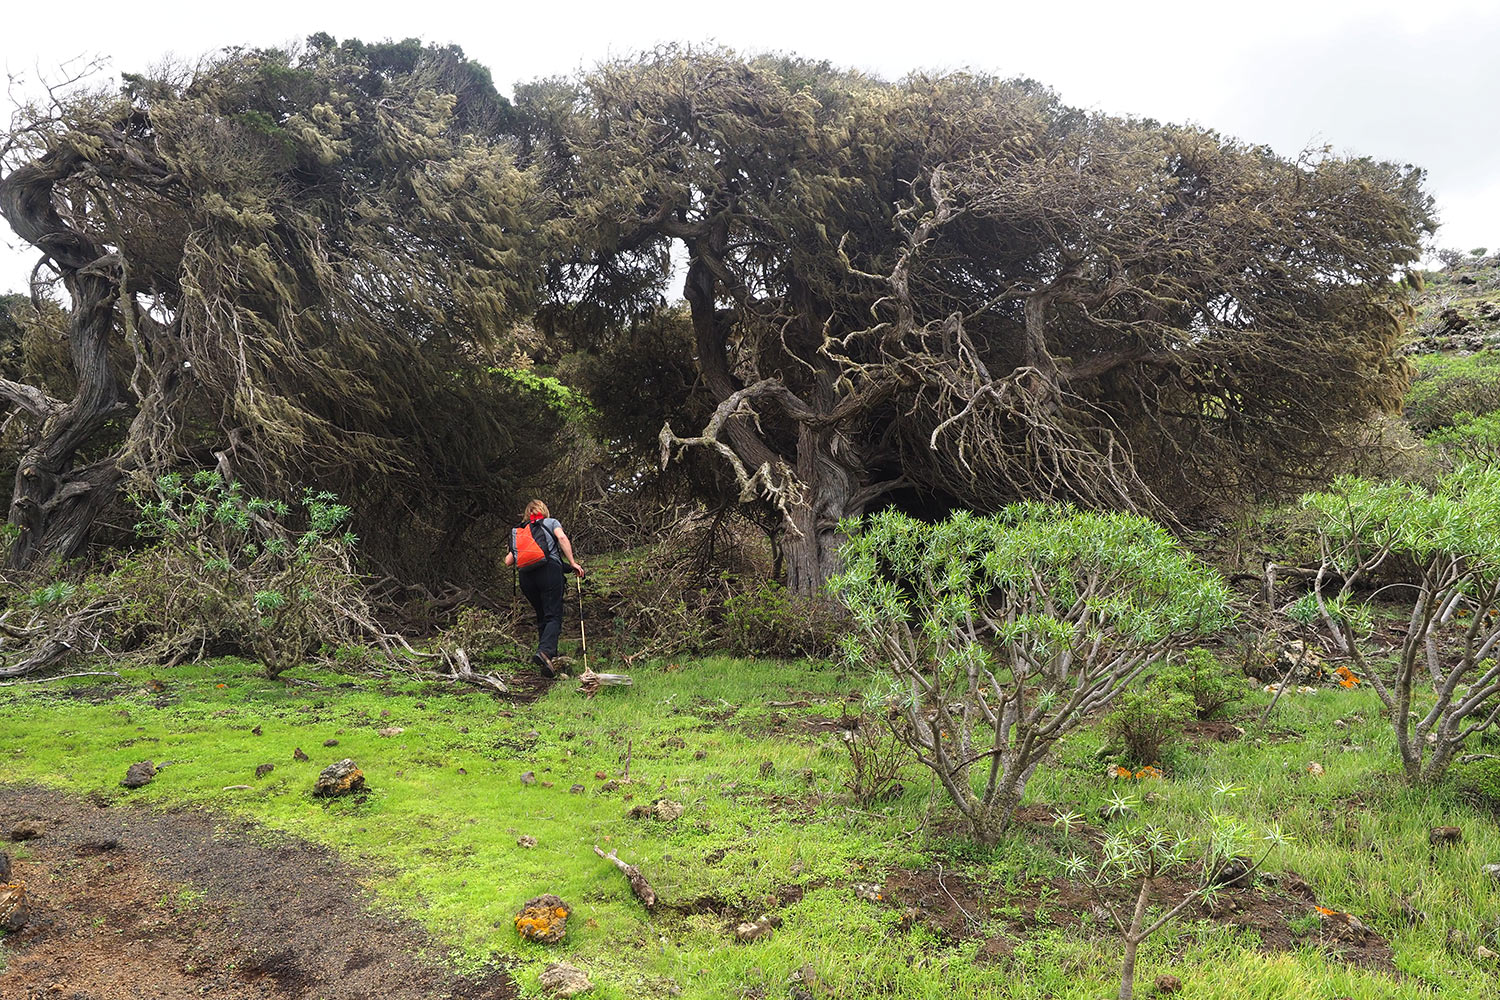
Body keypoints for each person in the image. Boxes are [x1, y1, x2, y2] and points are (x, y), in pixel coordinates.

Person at [503, 500, 584, 676]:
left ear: (527, 514)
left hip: (526, 577)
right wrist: (572, 562)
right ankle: (546, 651)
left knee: (542, 615)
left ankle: (547, 660)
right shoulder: (551, 522)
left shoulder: (521, 531)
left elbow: (508, 561)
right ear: (544, 511)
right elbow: (561, 538)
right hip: (548, 572)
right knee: (553, 614)